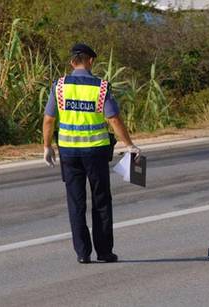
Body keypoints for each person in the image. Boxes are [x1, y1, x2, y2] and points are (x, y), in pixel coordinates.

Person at [42, 43, 141, 264]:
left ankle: (82, 253)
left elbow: (49, 119)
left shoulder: (59, 86)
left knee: (76, 203)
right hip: (96, 152)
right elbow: (113, 119)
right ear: (90, 61)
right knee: (101, 201)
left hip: (69, 153)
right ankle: (104, 252)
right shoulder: (101, 87)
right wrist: (129, 144)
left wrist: (47, 146)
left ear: (72, 62)